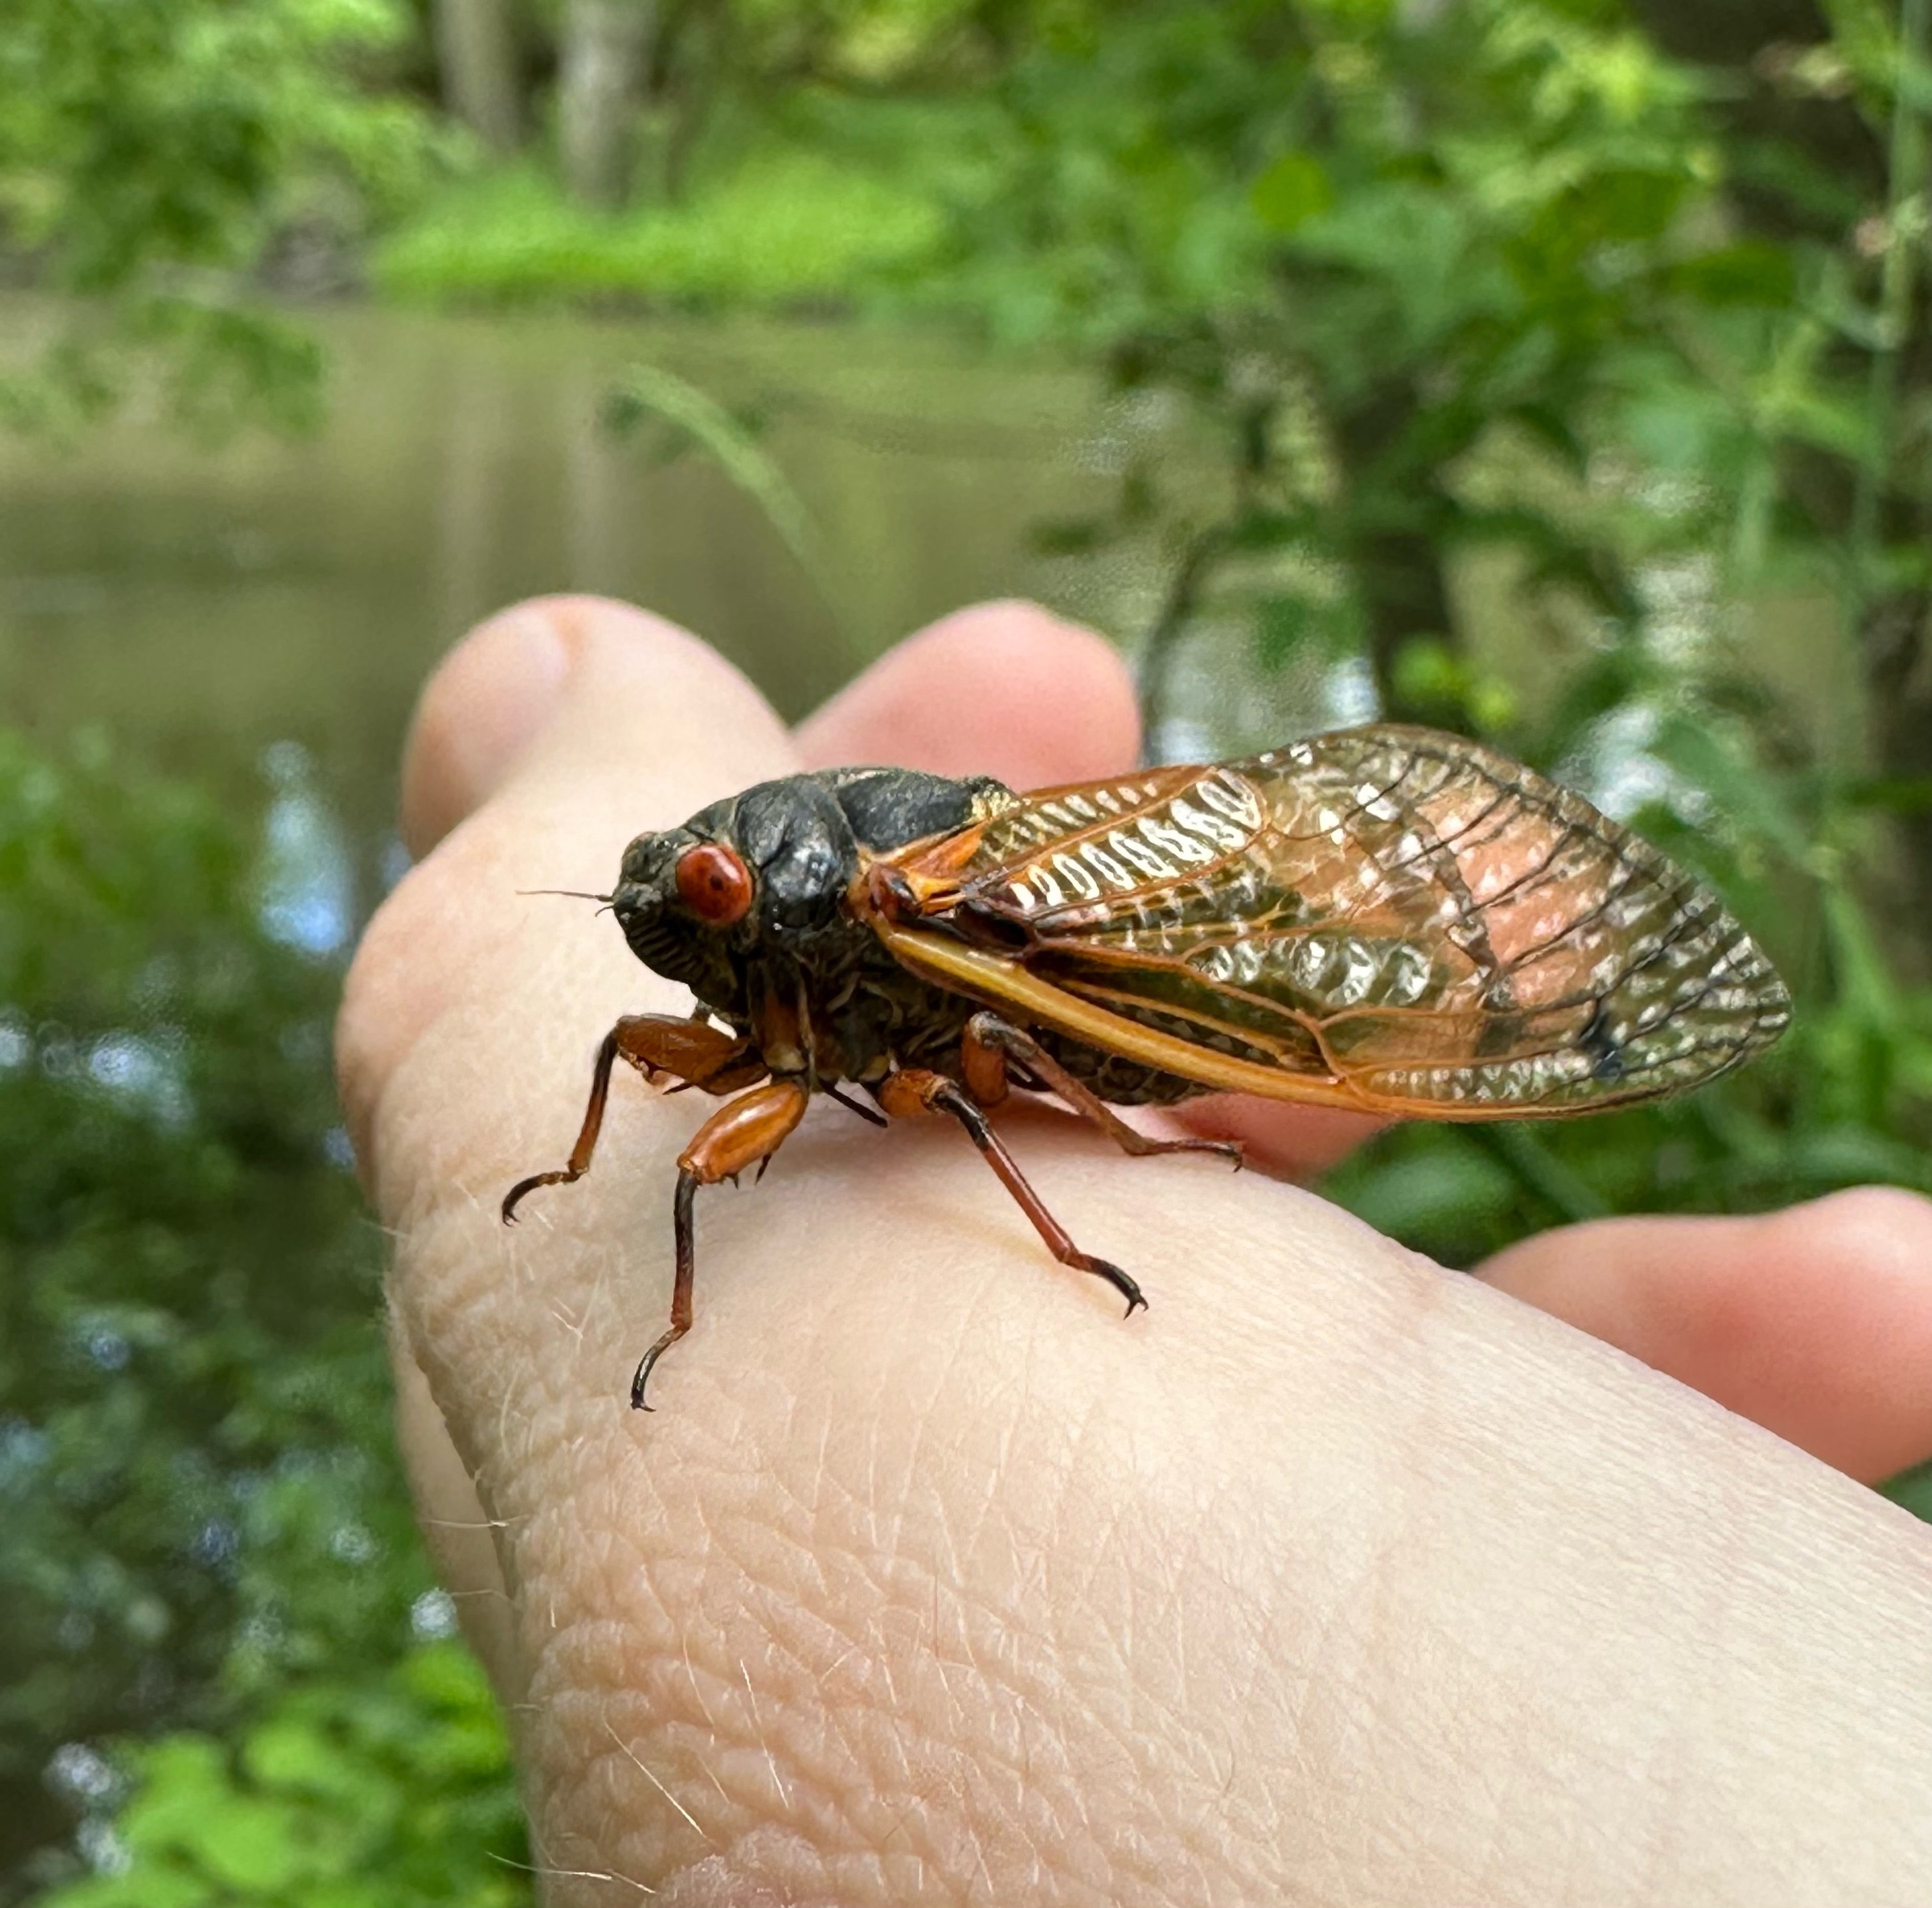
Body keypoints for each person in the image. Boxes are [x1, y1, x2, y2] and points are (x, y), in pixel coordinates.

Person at [338, 596, 1932, 1905]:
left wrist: (1085, 1165)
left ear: (776, 894)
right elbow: (645, 1054)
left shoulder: (886, 909)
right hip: (955, 985)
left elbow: (964, 1101)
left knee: (995, 1093)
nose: (679, 929)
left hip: (1075, 960)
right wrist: (584, 1177)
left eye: (702, 897)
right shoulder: (739, 974)